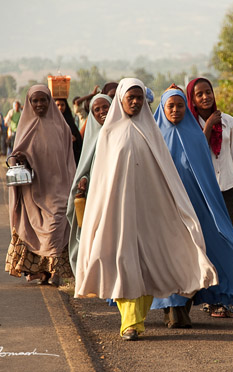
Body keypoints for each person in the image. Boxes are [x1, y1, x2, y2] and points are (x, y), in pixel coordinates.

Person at [74, 78, 218, 341]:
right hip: (118, 213)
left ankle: (136, 321)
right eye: (131, 98)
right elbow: (102, 179)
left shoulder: (152, 132)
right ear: (121, 100)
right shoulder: (109, 133)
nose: (136, 102)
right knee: (121, 262)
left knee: (148, 265)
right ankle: (129, 323)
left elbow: (167, 175)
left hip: (150, 214)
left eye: (140, 98)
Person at [151, 85, 233, 328]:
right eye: (170, 106)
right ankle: (170, 310)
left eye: (180, 105)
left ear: (187, 108)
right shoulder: (153, 138)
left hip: (192, 211)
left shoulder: (196, 137)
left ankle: (180, 310)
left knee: (189, 257)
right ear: (162, 109)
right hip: (163, 211)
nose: (175, 110)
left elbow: (205, 179)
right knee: (167, 258)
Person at [186, 77, 233, 317]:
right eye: (199, 94)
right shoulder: (189, 125)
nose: (205, 97)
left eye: (208, 92)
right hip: (204, 192)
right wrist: (208, 127)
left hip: (228, 190)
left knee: (232, 244)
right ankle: (213, 300)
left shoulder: (229, 122)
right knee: (210, 245)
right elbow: (195, 155)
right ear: (192, 99)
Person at [5, 85, 76, 286]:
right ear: (29, 103)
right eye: (35, 101)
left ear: (50, 102)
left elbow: (68, 158)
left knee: (55, 224)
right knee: (35, 228)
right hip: (34, 190)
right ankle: (43, 271)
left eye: (43, 100)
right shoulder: (25, 127)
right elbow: (14, 157)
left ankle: (55, 271)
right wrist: (19, 158)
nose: (39, 104)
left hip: (59, 187)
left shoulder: (61, 126)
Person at [66, 93, 112, 273]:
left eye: (105, 107)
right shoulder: (94, 136)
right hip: (97, 195)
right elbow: (87, 165)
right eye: (97, 109)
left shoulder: (121, 131)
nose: (102, 112)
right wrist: (84, 179)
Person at [55, 98, 83, 165]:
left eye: (62, 105)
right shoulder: (50, 122)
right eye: (57, 105)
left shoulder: (70, 122)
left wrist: (74, 139)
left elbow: (79, 141)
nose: (60, 107)